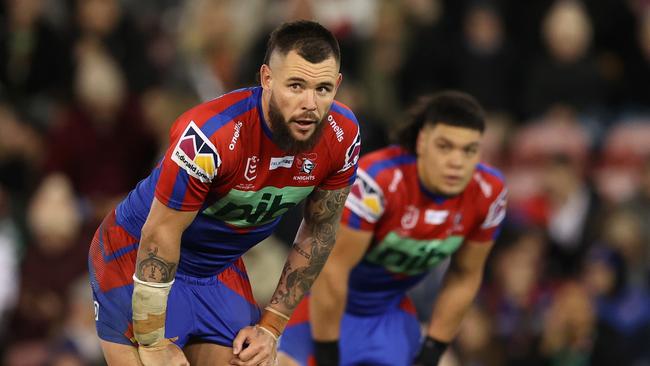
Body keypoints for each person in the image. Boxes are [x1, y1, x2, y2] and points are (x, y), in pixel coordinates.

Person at [88, 20, 361, 366]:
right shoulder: (209, 136)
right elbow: (161, 233)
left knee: (259, 360)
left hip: (216, 269)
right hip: (135, 255)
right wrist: (152, 339)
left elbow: (320, 230)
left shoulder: (343, 135)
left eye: (323, 89)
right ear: (266, 79)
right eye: (296, 85)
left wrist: (273, 325)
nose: (310, 103)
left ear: (337, 85)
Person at [277, 91, 507, 366]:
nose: (457, 162)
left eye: (469, 150)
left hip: (389, 314)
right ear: (422, 142)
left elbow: (464, 276)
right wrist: (327, 355)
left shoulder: (489, 192)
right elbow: (332, 271)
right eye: (445, 147)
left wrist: (433, 349)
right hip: (321, 307)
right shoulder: (378, 182)